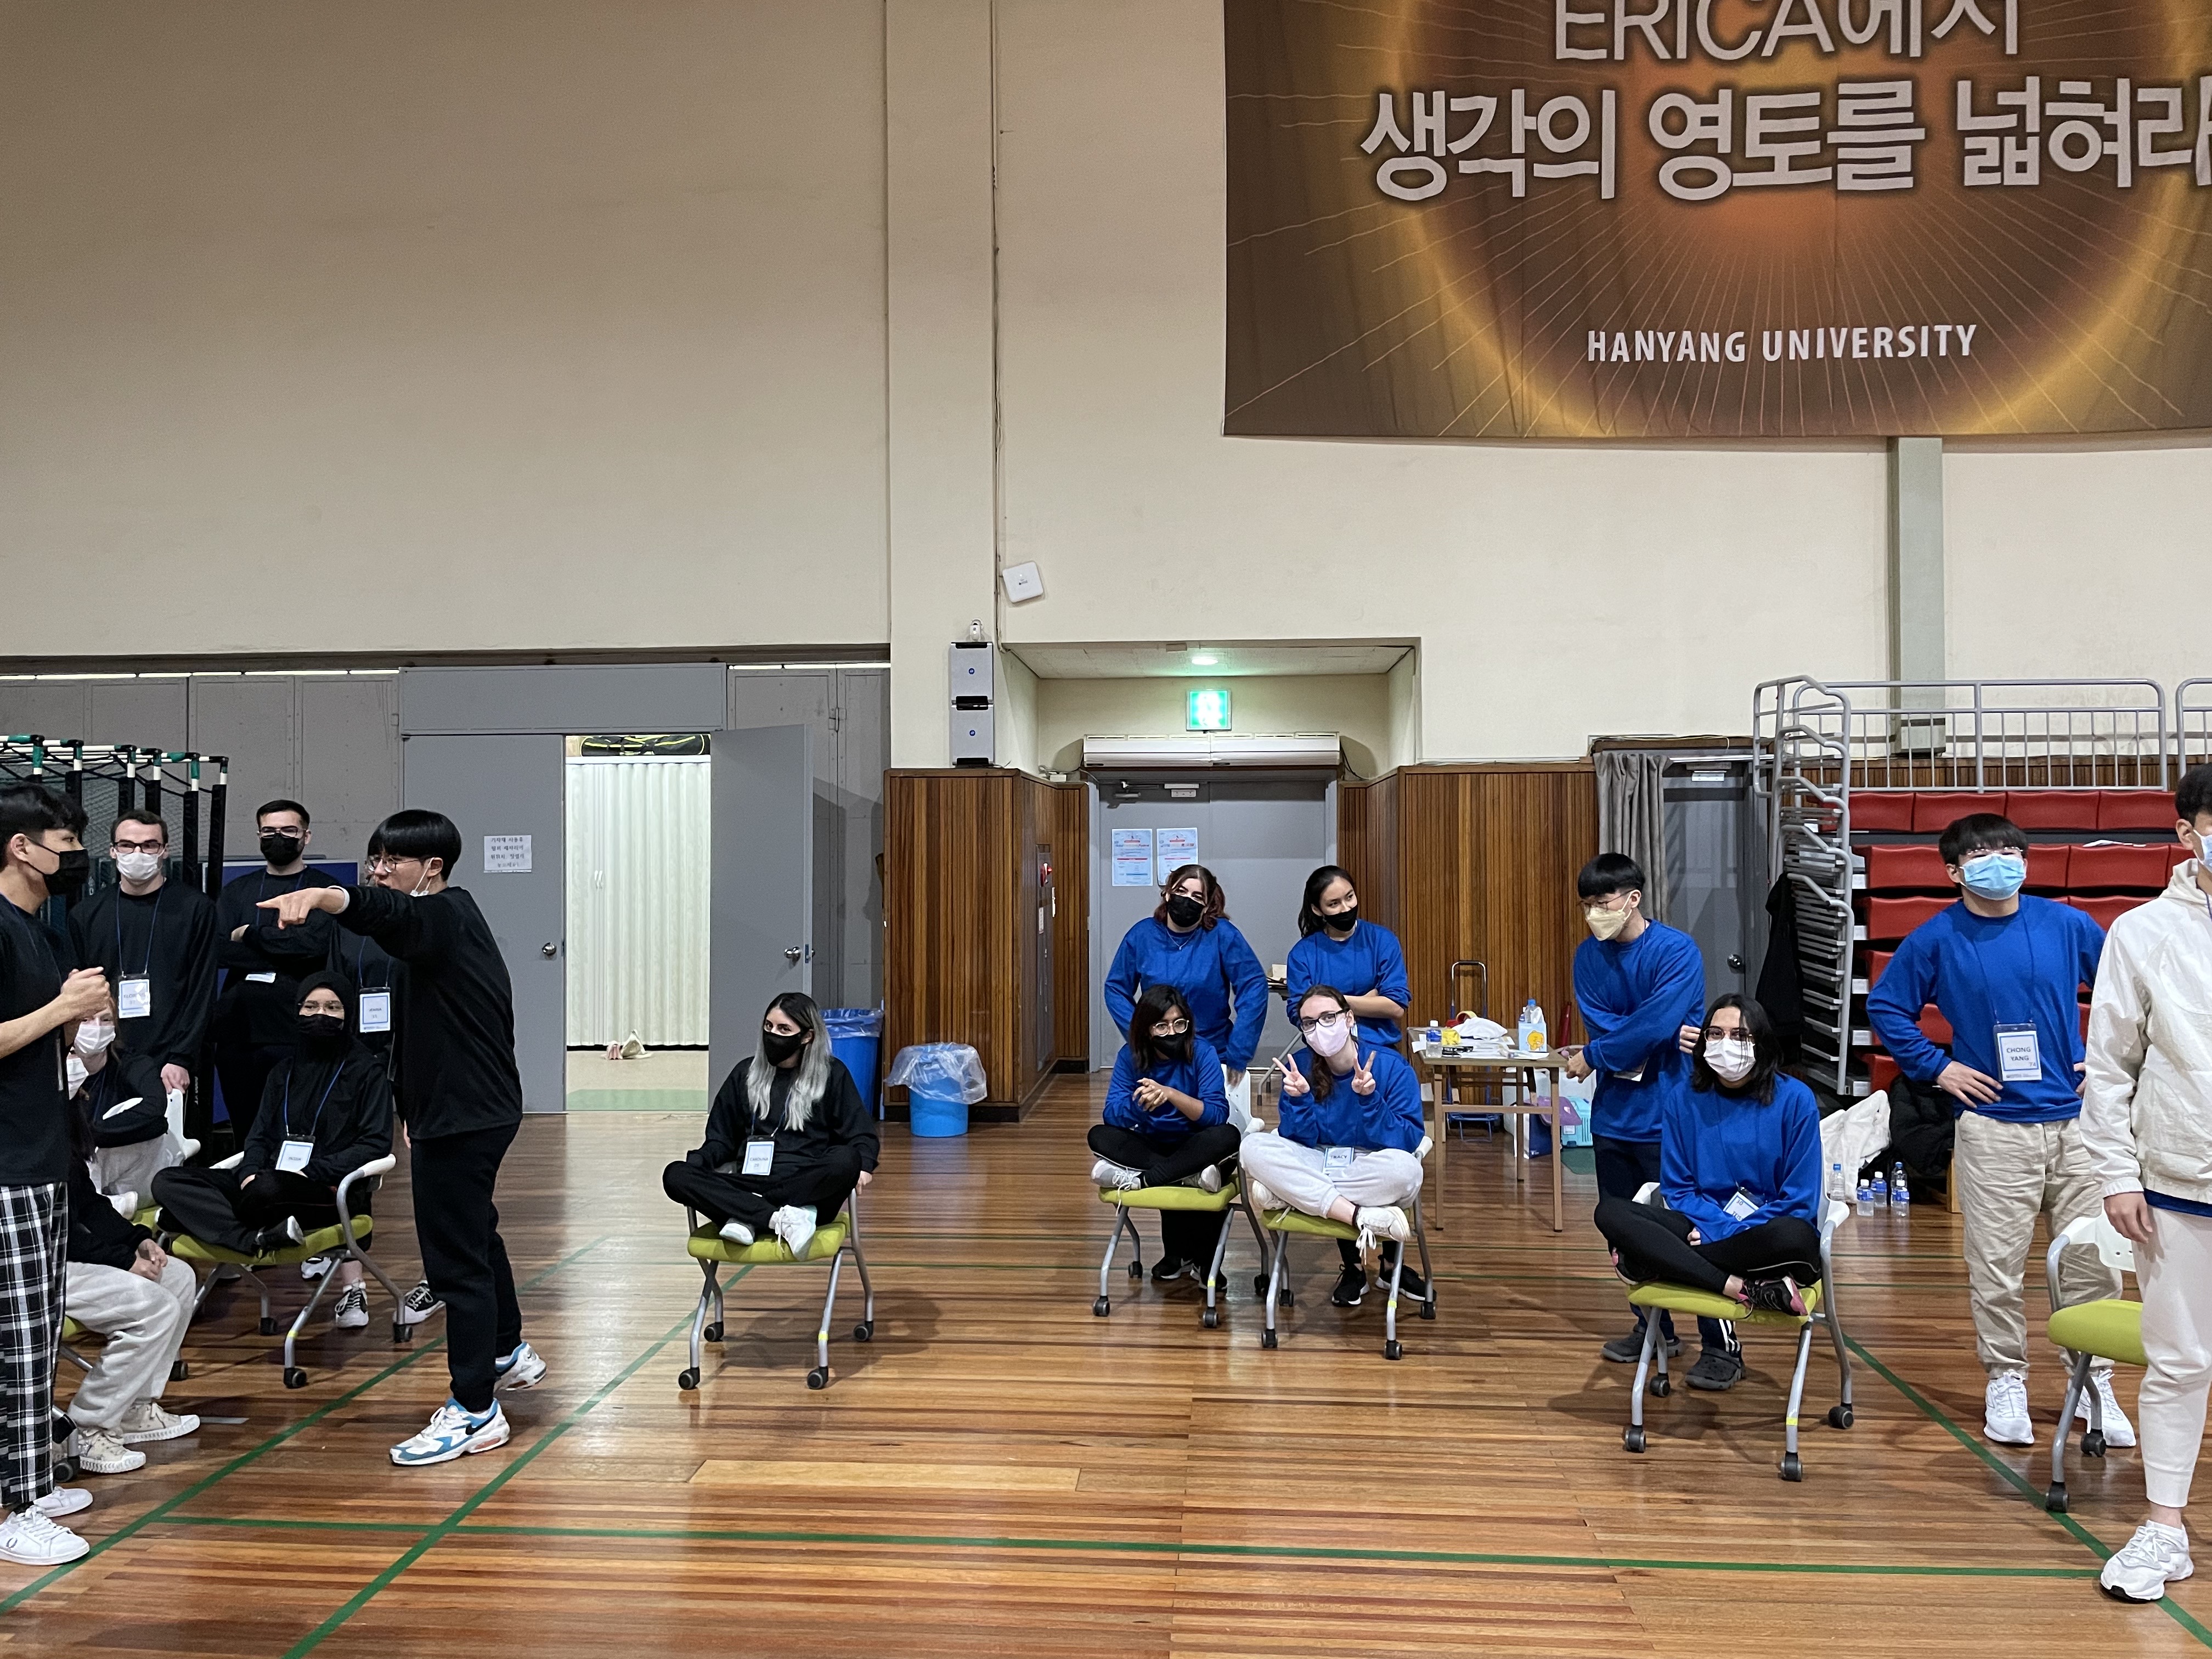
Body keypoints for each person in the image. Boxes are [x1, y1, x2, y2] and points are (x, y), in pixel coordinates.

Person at [257, 809, 545, 1468]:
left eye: (393, 861)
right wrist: (412, 1104)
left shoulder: (441, 916)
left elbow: (389, 915)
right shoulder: (448, 923)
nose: (380, 871)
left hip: (467, 1114)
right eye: (375, 860)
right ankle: (505, 1350)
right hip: (465, 1108)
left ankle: (475, 1409)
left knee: (454, 1263)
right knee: (475, 1232)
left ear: (432, 867)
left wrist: (327, 896)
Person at [1867, 811, 2126, 1451]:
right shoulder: (1935, 938)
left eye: (2010, 851)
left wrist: (2107, 1062)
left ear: (2027, 861)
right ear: (1954, 871)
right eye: (1982, 854)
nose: (1999, 862)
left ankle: (2094, 1380)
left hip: (2077, 1125)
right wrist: (1938, 1067)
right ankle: (2006, 1376)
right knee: (1997, 1265)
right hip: (1994, 1127)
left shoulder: (2067, 924)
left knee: (2091, 1263)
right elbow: (1887, 1006)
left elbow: (2125, 995)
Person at [2079, 766, 2212, 1604]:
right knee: (2180, 1361)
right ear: (2188, 833)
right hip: (2179, 1181)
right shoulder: (2143, 932)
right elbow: (2109, 1067)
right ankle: (2165, 1526)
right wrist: (2118, 1173)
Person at [1564, 855, 1736, 1386]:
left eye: (1603, 902)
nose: (1594, 913)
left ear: (1633, 898)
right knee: (1625, 1233)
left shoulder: (1676, 950)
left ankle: (1721, 1344)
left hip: (1674, 1115)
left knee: (1695, 1229)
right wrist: (1645, 1034)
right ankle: (1653, 1327)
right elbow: (1617, 1023)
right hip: (1613, 1118)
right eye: (1587, 905)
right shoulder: (1587, 957)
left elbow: (1657, 1023)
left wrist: (1599, 1052)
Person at [0, 784, 110, 1564]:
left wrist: (80, 1035)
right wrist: (60, 1010)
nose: (78, 857)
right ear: (21, 847)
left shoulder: (38, 932)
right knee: (14, 1342)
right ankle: (13, 1509)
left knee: (39, 1335)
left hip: (42, 1159)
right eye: (66, 844)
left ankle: (32, 1480)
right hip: (5, 1167)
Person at [151, 973, 391, 1330]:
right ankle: (256, 1239)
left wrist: (309, 1172)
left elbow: (374, 1144)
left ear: (348, 1015)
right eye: (311, 1007)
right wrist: (249, 1170)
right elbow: (259, 1136)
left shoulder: (366, 1072)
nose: (320, 1015)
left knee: (262, 1191)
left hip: (323, 1189)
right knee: (168, 1181)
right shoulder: (283, 1071)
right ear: (298, 1012)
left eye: (332, 1008)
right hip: (265, 1184)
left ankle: (207, 1222)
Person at [1593, 995, 1823, 1320]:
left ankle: (1658, 1261)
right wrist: (1717, 1224)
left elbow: (1800, 1200)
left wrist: (1728, 1232)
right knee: (1611, 1212)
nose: (1725, 1043)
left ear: (1761, 1043)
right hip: (1702, 1223)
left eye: (1739, 1035)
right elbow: (1678, 1190)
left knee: (1793, 1235)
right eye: (1715, 1034)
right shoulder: (1682, 1099)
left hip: (1766, 1232)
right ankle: (1737, 1286)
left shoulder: (1797, 1100)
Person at [1239, 985, 1424, 1308]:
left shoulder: (1390, 1066)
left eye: (1328, 1017)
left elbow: (1407, 1140)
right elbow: (1297, 1139)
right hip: (1320, 1159)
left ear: (1349, 1019)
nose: (1319, 1028)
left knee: (1407, 1170)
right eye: (1309, 1023)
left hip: (1370, 1165)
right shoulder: (1299, 1066)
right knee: (1252, 1146)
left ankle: (1292, 1196)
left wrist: (1370, 1100)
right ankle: (1357, 1217)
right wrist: (1299, 1101)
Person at [662, 992, 878, 1255]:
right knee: (675, 1174)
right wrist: (700, 1160)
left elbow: (861, 1135)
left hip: (807, 1190)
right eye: (769, 1026)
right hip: (749, 1182)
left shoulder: (832, 1074)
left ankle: (748, 1214)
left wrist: (863, 1165)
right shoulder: (744, 1074)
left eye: (784, 1029)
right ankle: (776, 1219)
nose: (773, 1035)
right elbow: (721, 1140)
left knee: (846, 1159)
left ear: (807, 1037)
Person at [1285, 864, 1414, 1301]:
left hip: (1379, 1060)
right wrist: (1360, 1002)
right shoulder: (1305, 953)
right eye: (1334, 903)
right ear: (1318, 910)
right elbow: (1300, 1012)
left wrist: (1335, 1004)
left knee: (1386, 1151)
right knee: (1335, 1152)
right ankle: (1353, 1266)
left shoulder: (1381, 940)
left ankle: (1393, 1263)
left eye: (1350, 898)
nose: (1345, 908)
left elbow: (1396, 1005)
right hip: (1327, 1065)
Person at [61, 1086, 200, 1479]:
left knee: (178, 1277)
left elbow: (87, 1204)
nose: (85, 1089)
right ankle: (87, 1428)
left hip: (71, 1256)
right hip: (38, 1267)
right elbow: (61, 1232)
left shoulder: (59, 1123)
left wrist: (136, 1240)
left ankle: (135, 1408)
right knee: (153, 1307)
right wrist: (124, 1261)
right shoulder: (22, 1135)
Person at [67, 809, 218, 1137]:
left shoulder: (196, 909)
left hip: (170, 1057)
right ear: (112, 851)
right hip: (106, 1054)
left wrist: (182, 1057)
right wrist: (83, 1053)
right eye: (127, 845)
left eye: (149, 845)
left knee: (169, 1146)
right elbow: (79, 995)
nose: (138, 853)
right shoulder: (86, 914)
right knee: (100, 1144)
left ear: (164, 850)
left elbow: (202, 990)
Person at [1087, 984, 1240, 1282]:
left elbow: (1215, 1115)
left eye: (1179, 1024)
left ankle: (1147, 1182)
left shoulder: (1203, 1052)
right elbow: (1112, 1114)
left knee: (1227, 1136)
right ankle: (1186, 1179)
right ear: (1146, 1030)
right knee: (1099, 1135)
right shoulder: (1130, 1056)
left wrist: (1171, 1094)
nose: (1172, 1032)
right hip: (1157, 1146)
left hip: (1198, 1145)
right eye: (1162, 1026)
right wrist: (1141, 1104)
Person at [213, 800, 341, 1150]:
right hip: (240, 1033)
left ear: (306, 836)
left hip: (297, 1030)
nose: (278, 838)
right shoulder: (237, 891)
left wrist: (251, 935)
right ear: (259, 835)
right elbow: (220, 950)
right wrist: (285, 948)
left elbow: (315, 947)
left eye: (288, 830)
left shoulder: (324, 891)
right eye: (269, 831)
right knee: (246, 1131)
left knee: (298, 1128)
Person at [1104, 863, 1268, 1110]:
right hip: (1157, 1053)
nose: (1187, 899)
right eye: (1181, 891)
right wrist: (1139, 1035)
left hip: (1211, 1052)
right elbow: (1116, 989)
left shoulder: (1223, 935)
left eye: (1197, 896)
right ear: (1168, 894)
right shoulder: (1142, 935)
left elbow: (1254, 986)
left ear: (1207, 906)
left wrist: (1240, 1049)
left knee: (1212, 1118)